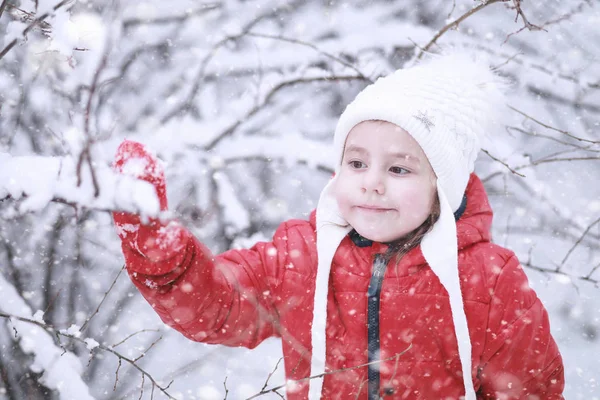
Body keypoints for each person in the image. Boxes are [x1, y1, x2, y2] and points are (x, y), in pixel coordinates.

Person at [112, 53, 564, 399]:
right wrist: (158, 248)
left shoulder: (488, 279)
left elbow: (530, 387)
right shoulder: (301, 256)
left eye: (399, 170)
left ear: (441, 187)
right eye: (357, 162)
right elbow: (216, 306)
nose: (372, 184)